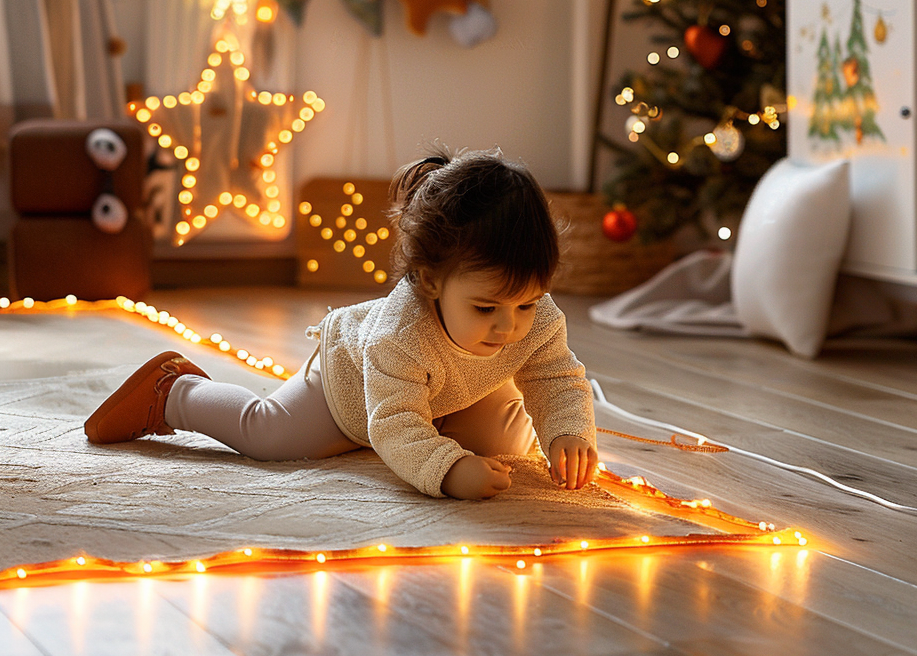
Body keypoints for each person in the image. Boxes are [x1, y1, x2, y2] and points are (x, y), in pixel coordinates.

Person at [84, 147, 599, 500]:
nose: (510, 326)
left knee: (505, 449)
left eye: (527, 303)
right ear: (430, 280)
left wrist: (569, 431)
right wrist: (444, 471)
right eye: (487, 308)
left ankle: (440, 432)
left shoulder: (537, 318)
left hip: (452, 393)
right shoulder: (400, 335)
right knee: (270, 437)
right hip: (350, 391)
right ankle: (175, 392)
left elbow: (556, 377)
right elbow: (392, 424)